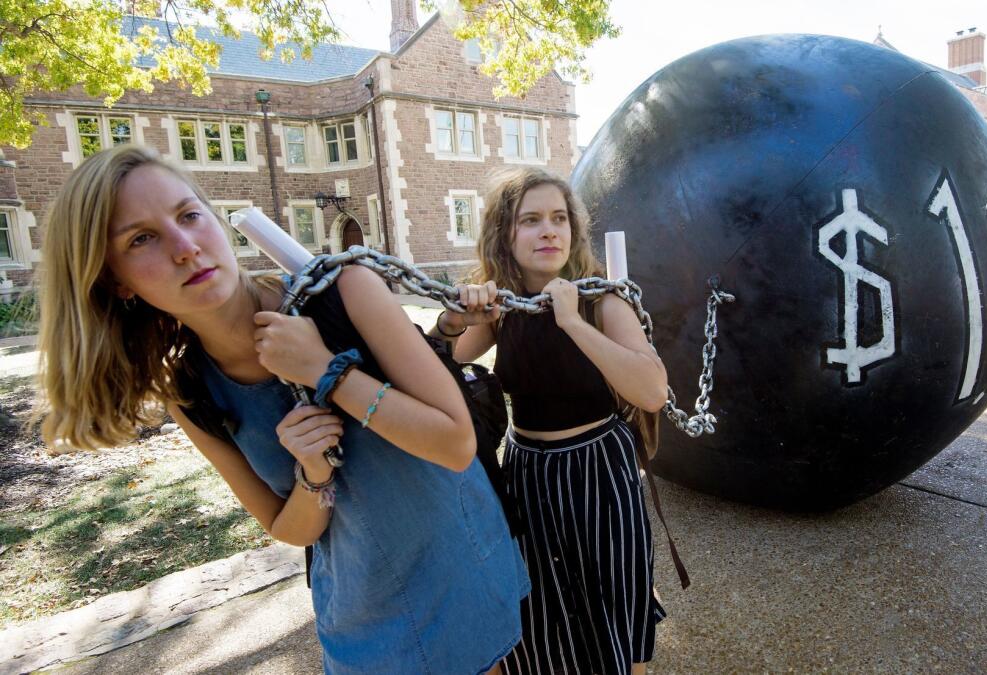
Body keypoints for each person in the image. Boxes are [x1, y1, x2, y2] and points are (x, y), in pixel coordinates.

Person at [35, 145, 529, 674]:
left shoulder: (345, 290)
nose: (185, 248)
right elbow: (287, 529)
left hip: (459, 585)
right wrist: (314, 474)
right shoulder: (187, 390)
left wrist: (327, 372)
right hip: (361, 622)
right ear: (114, 280)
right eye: (141, 239)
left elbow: (454, 444)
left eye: (189, 216)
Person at [430, 167, 668, 675]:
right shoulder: (502, 308)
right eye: (531, 220)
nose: (549, 230)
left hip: (600, 473)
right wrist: (453, 321)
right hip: (529, 476)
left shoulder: (603, 299)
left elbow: (652, 391)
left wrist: (572, 320)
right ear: (505, 235)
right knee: (540, 616)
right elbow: (433, 372)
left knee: (616, 607)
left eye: (559, 218)